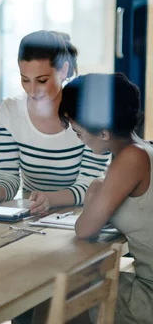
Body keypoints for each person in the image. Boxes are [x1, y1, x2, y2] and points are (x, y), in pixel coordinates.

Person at [0, 30, 110, 215]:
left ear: (63, 70)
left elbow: (91, 185)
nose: (32, 90)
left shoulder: (89, 114)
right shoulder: (10, 111)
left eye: (42, 80)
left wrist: (50, 199)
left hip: (80, 216)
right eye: (25, 80)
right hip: (33, 215)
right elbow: (7, 174)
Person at [59, 72, 153, 324]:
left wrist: (94, 193)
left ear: (103, 133)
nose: (76, 136)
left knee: (59, 294)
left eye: (78, 132)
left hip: (149, 297)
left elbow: (84, 229)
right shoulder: (145, 149)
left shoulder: (130, 159)